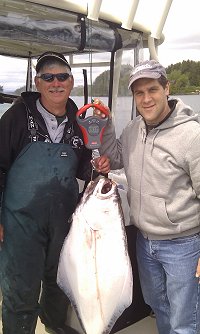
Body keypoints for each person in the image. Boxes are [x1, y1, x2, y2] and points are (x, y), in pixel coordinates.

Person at [0, 51, 110, 334]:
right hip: (20, 221)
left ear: (71, 81)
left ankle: (53, 325)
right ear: (38, 83)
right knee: (21, 285)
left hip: (64, 219)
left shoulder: (79, 120)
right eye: (47, 77)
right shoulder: (16, 117)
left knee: (59, 280)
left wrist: (98, 167)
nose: (55, 82)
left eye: (62, 76)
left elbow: (84, 166)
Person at [98, 59, 200, 334]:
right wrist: (106, 123)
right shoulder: (133, 129)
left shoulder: (192, 136)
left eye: (152, 89)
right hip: (145, 242)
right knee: (159, 306)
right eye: (138, 93)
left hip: (184, 245)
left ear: (167, 88)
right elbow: (117, 157)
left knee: (184, 319)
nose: (146, 98)